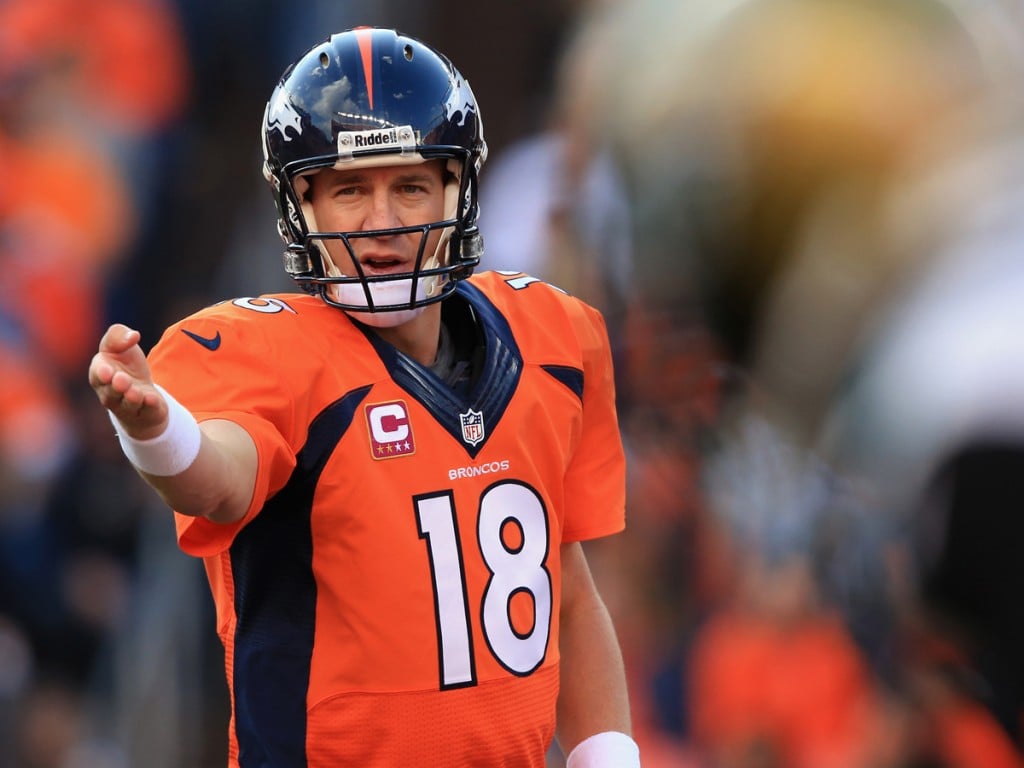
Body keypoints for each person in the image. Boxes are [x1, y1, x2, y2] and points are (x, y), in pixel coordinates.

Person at [87, 26, 638, 768]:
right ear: (300, 206)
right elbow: (218, 478)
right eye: (350, 189)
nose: (382, 220)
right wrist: (156, 431)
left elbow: (566, 592)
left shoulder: (552, 338)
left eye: (410, 186)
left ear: (457, 189)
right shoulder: (269, 353)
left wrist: (607, 756)